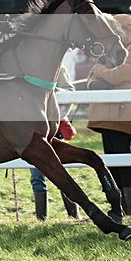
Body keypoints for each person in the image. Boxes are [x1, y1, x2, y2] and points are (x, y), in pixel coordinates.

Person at [86, 14, 131, 218]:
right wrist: (95, 80)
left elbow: (120, 75)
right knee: (111, 162)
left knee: (123, 163)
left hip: (123, 114)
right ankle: (119, 207)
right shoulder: (111, 51)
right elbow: (91, 78)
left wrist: (99, 71)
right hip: (106, 115)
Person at [29, 70, 79, 220]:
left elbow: (68, 92)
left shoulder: (58, 67)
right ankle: (41, 218)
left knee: (60, 171)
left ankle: (73, 214)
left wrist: (54, 116)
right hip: (32, 128)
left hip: (53, 127)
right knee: (37, 175)